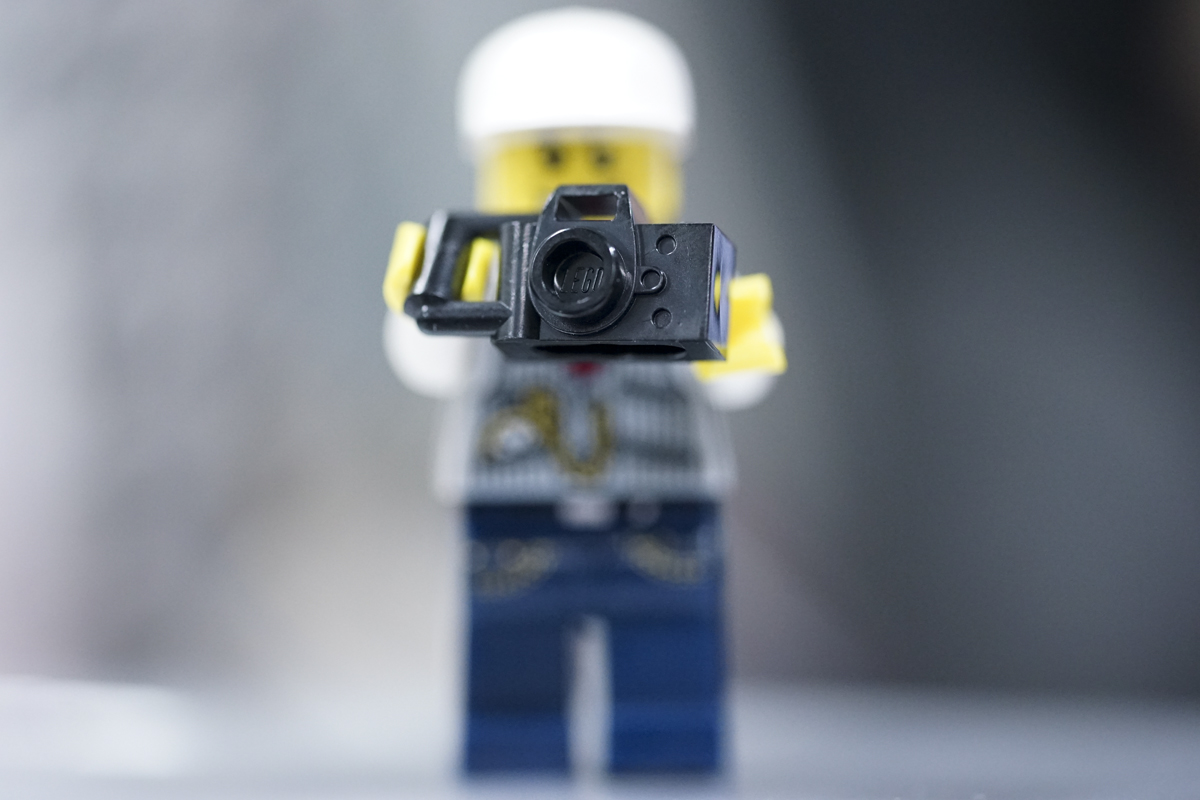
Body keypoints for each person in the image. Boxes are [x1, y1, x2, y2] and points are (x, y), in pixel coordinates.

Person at [382, 7, 784, 774]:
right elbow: (428, 368)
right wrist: (421, 309)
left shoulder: (691, 278)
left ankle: (665, 752)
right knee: (512, 669)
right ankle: (514, 755)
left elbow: (745, 384)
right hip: (515, 498)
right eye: (547, 157)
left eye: (607, 156)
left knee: (668, 663)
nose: (577, 185)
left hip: (660, 497)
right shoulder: (480, 270)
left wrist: (740, 335)